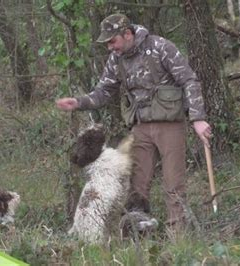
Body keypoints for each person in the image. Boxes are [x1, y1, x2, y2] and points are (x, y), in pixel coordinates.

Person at [56, 14, 211, 231]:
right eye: (108, 43)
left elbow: (189, 80)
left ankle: (179, 242)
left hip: (170, 126)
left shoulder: (160, 47)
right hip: (140, 127)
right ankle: (139, 236)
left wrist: (198, 118)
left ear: (127, 34)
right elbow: (103, 92)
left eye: (113, 41)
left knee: (173, 185)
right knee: (137, 187)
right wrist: (79, 102)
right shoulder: (116, 59)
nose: (110, 47)